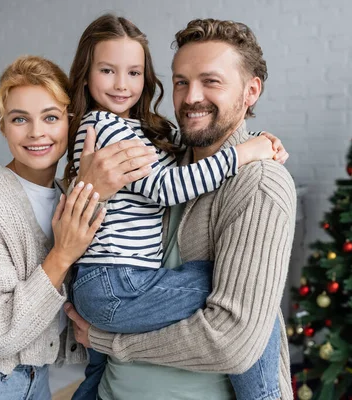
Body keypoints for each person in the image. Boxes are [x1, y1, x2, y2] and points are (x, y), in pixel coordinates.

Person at [66, 18, 296, 400]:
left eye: (211, 81)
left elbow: (233, 341)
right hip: (113, 380)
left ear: (251, 91)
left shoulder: (258, 185)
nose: (191, 98)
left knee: (253, 306)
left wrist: (107, 340)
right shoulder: (165, 158)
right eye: (181, 82)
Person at [0, 55, 157, 400]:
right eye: (20, 119)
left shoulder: (68, 194)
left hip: (36, 377)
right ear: (3, 126)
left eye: (50, 117)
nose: (37, 133)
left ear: (70, 122)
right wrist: (61, 255)